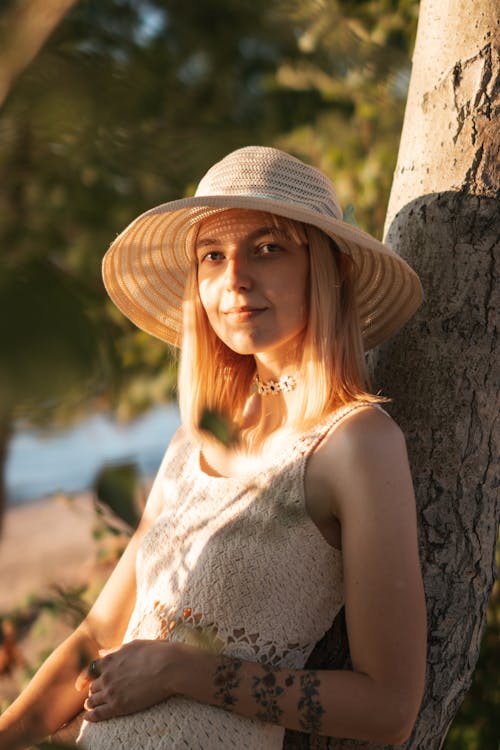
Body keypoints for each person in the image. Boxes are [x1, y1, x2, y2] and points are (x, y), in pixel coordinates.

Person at [0, 146, 427, 749]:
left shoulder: (356, 442)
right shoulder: (193, 438)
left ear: (327, 269)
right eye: (213, 255)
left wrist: (180, 669)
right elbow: (98, 638)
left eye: (268, 248)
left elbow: (389, 708)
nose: (235, 280)